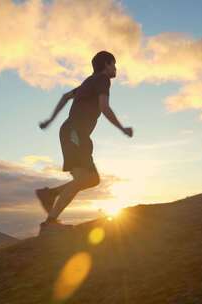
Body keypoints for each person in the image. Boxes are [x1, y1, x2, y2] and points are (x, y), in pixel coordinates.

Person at [36, 51, 133, 233]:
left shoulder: (88, 82)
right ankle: (50, 224)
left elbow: (65, 96)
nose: (115, 68)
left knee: (92, 179)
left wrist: (50, 120)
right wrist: (122, 128)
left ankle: (50, 194)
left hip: (75, 133)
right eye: (114, 64)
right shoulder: (103, 80)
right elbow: (104, 107)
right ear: (106, 64)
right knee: (83, 178)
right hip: (75, 133)